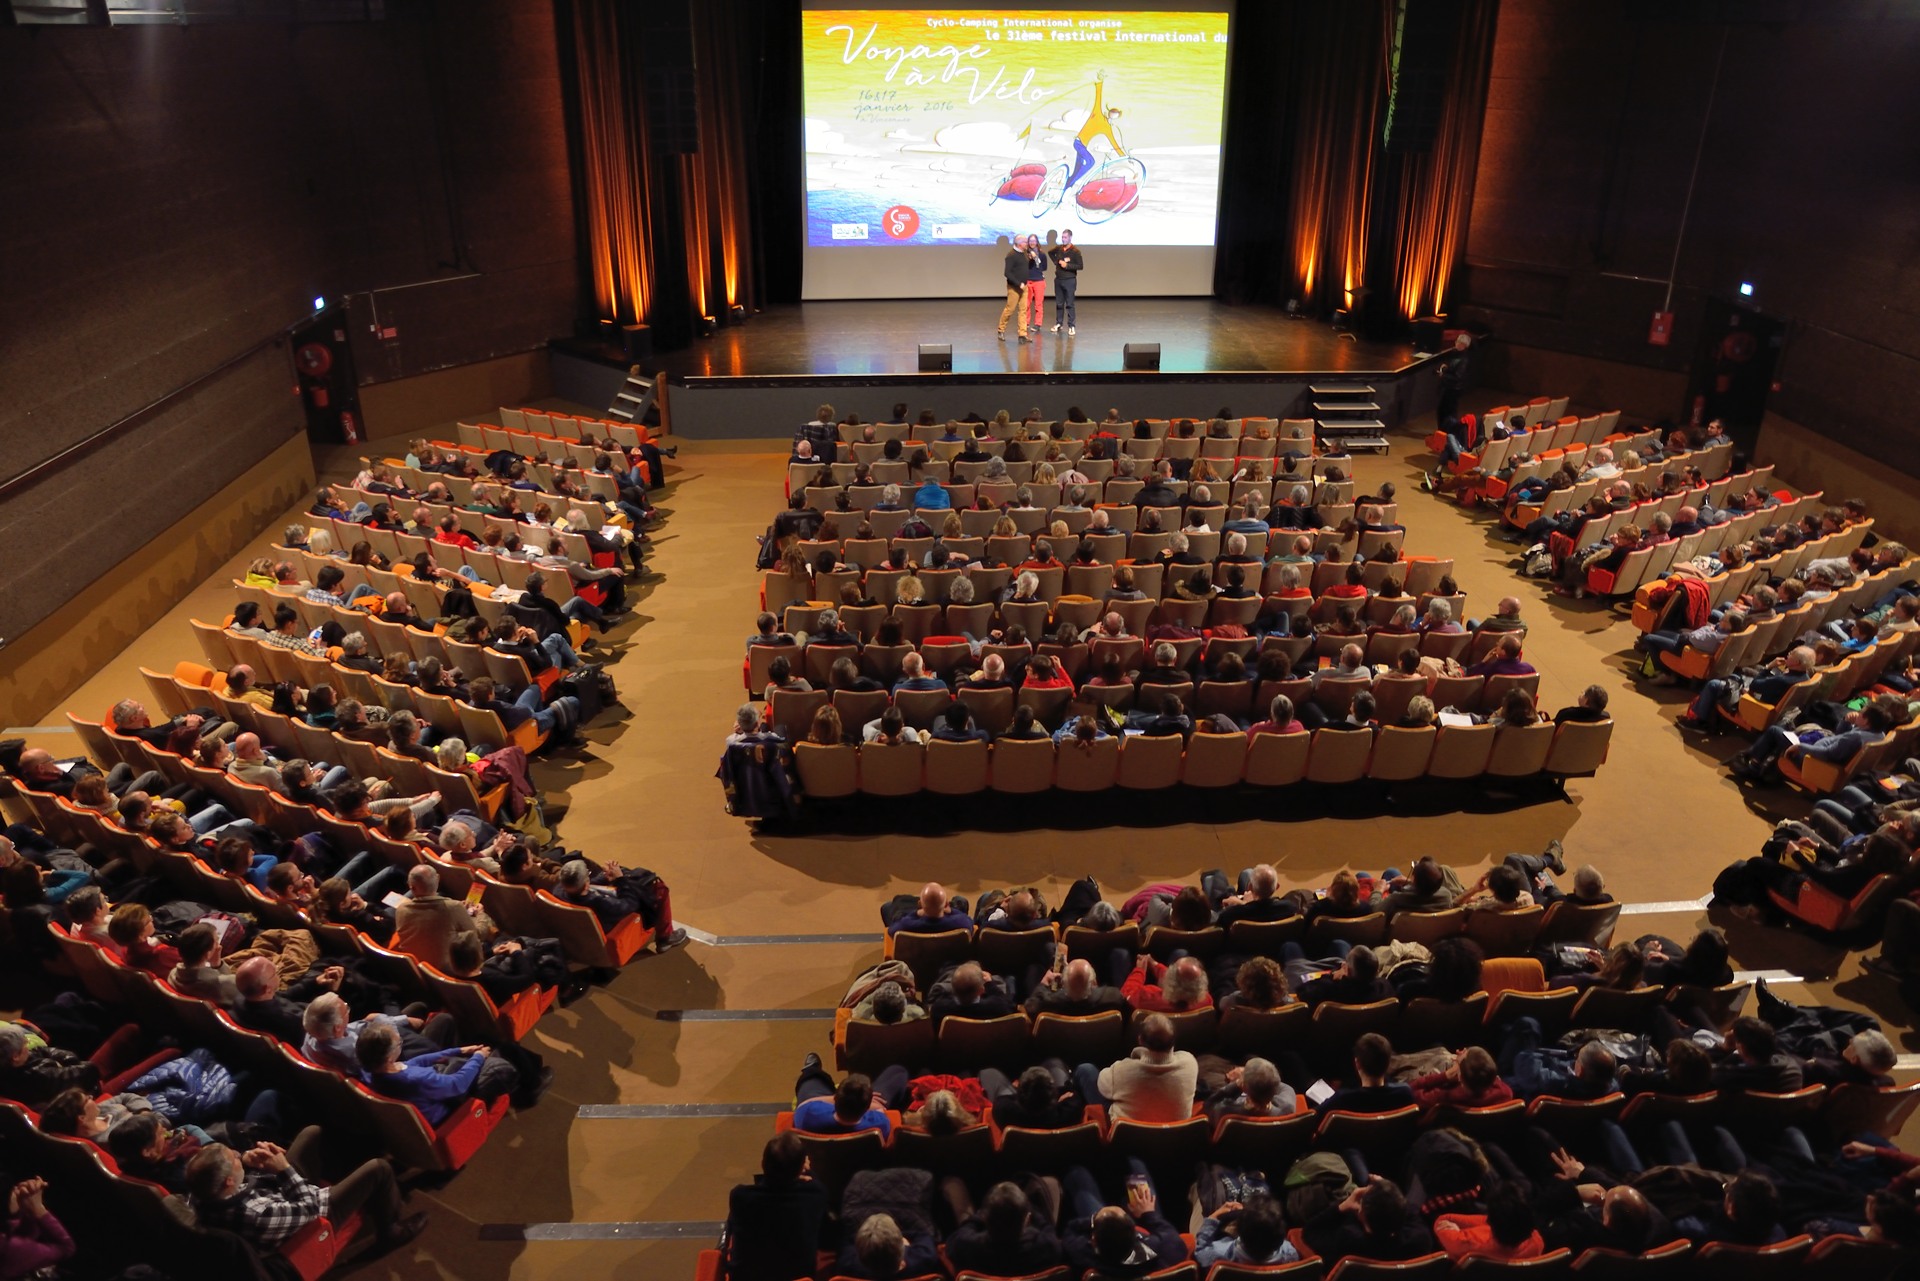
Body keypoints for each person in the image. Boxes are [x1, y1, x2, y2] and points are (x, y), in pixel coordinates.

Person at [185, 1140, 424, 1253]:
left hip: (277, 1194)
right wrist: (283, 1170)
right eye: (235, 1158)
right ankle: (391, 1231)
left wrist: (247, 1160)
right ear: (228, 1181)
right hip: (311, 1219)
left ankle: (368, 1192)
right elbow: (311, 1209)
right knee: (379, 1168)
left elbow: (237, 1177)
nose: (239, 1155)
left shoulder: (197, 1194)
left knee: (312, 1133)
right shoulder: (258, 1215)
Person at [723, 1132, 830, 1281]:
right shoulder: (815, 1194)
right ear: (801, 1169)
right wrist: (809, 1173)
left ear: (762, 1164)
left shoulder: (741, 1197)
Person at [1075, 1012, 1198, 1122]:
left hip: (1124, 1132)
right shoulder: (1190, 1063)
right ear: (1173, 1042)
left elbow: (1102, 1085)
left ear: (1140, 1040)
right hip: (1174, 1133)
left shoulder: (1122, 1070)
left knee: (1085, 1070)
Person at [1049, 230, 1083, 335]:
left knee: (1069, 304)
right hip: (1059, 279)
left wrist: (1067, 266)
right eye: (1062, 237)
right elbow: (1050, 252)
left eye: (1065, 237)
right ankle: (1059, 323)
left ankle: (1071, 326)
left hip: (1070, 280)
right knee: (1059, 303)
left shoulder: (1075, 251)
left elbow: (1080, 266)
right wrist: (1056, 262)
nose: (1063, 239)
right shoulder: (1059, 248)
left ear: (1070, 237)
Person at [998, 240, 1032, 343]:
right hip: (1014, 287)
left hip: (1024, 286)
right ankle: (1001, 329)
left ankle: (1022, 334)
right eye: (1025, 242)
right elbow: (1007, 273)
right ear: (1019, 244)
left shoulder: (1025, 254)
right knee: (1010, 309)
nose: (1027, 243)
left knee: (1023, 310)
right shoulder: (1011, 255)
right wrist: (1018, 283)